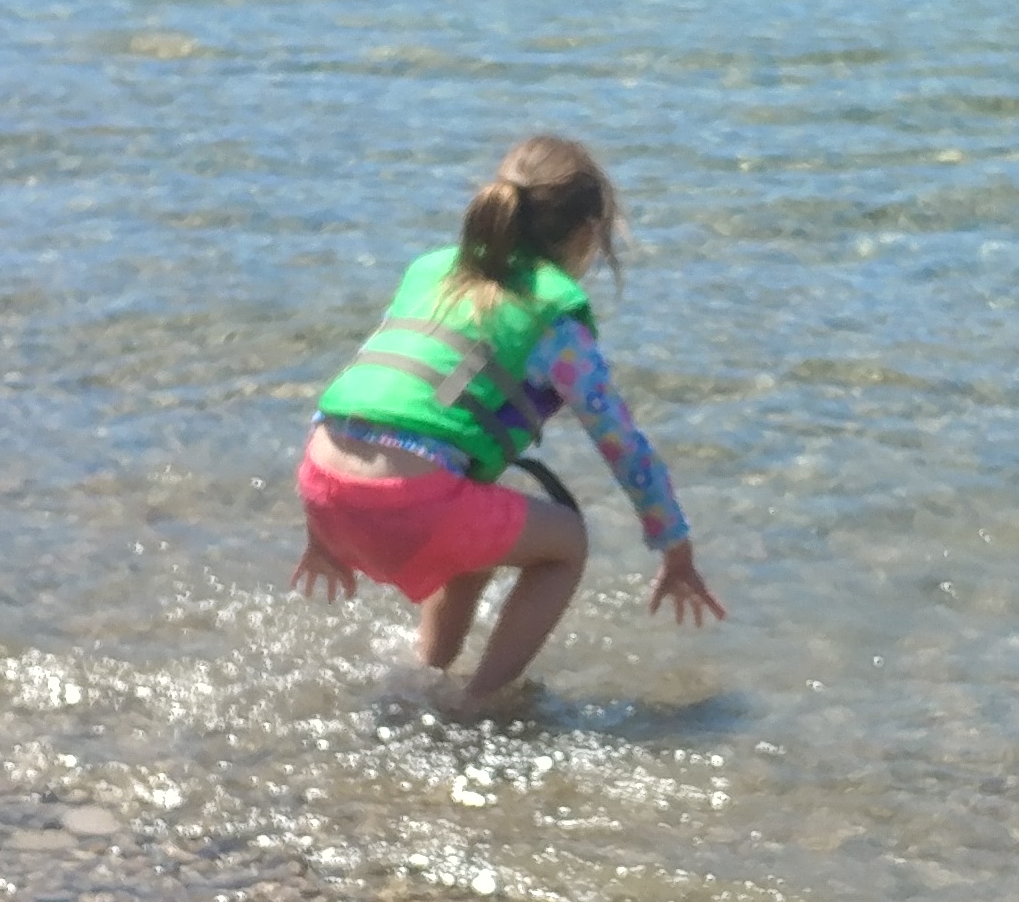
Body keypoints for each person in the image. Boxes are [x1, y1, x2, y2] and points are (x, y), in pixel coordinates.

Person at [294, 134, 723, 716]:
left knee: (478, 532)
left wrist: (320, 534)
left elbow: (379, 391)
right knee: (566, 543)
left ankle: (424, 676)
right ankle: (479, 703)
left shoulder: (434, 271)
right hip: (406, 499)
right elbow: (623, 446)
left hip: (320, 481)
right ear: (587, 233)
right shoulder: (554, 321)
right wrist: (676, 548)